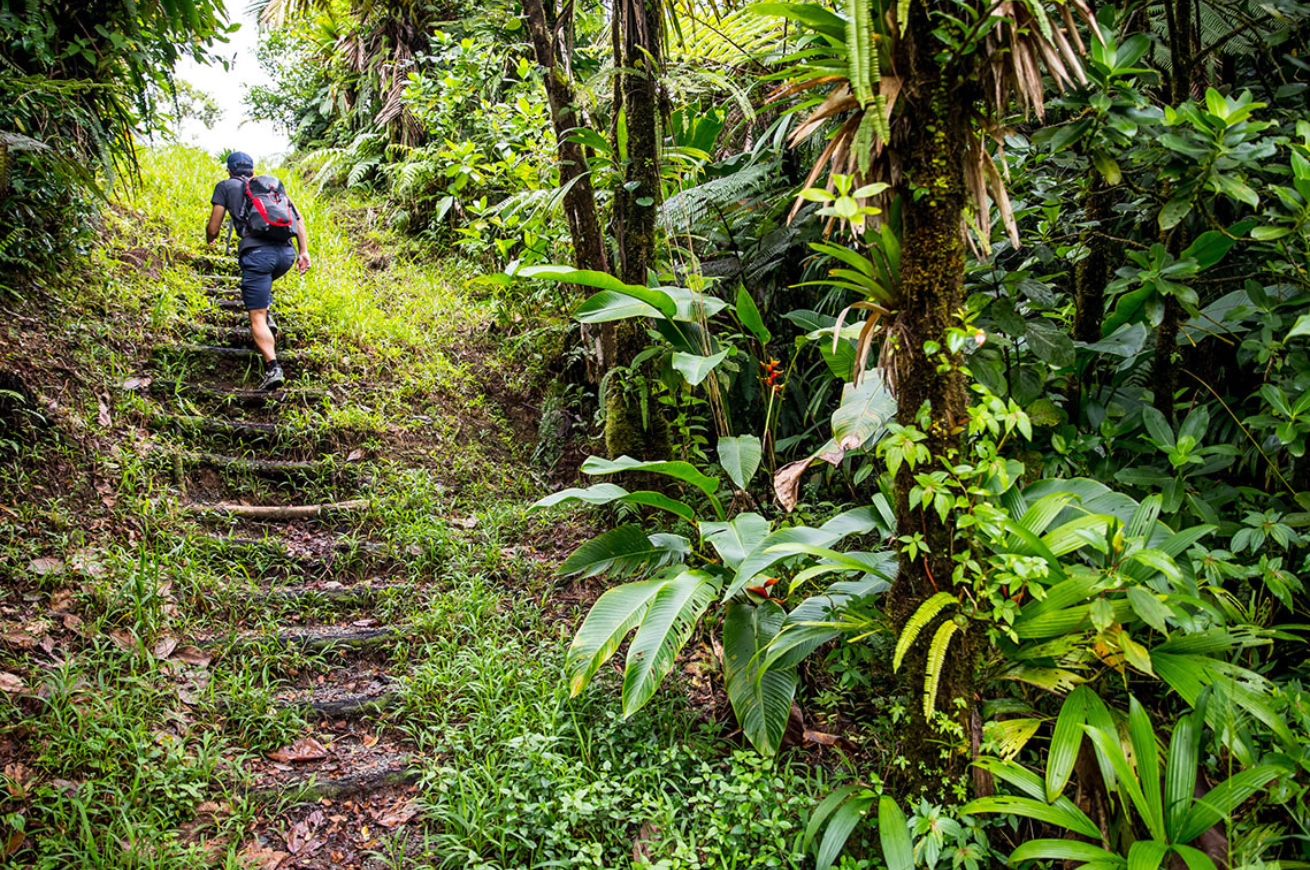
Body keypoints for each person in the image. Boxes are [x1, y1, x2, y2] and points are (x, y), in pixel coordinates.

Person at [205, 151, 310, 391]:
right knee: (262, 288)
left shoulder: (225, 186)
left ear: (229, 169)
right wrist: (303, 251)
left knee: (257, 317)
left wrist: (210, 238)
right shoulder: (269, 186)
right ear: (252, 170)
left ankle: (273, 368)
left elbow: (214, 227)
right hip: (285, 254)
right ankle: (267, 310)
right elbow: (299, 219)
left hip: (258, 255)